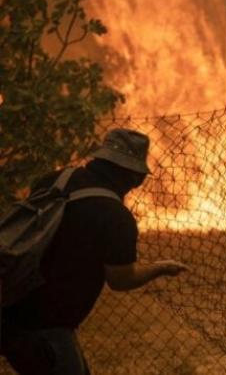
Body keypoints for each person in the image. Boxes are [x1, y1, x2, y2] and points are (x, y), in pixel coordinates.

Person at [0, 128, 190, 375]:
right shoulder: (115, 217)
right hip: (44, 326)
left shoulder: (55, 180)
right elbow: (121, 279)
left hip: (10, 305)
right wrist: (161, 267)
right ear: (132, 175)